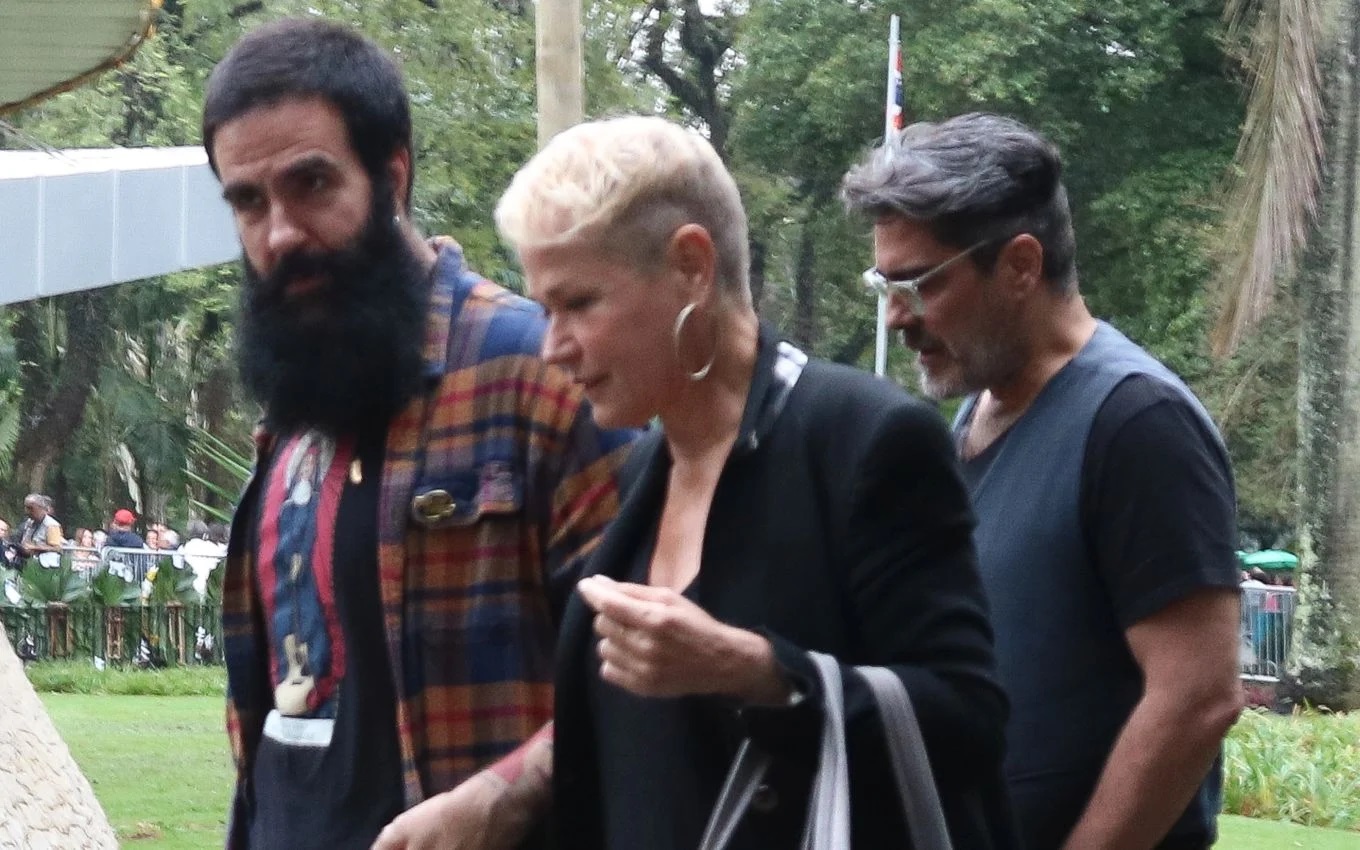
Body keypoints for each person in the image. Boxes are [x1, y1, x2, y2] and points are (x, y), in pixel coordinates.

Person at [489, 115, 1014, 849]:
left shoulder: (865, 440)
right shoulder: (642, 470)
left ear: (691, 266)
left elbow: (967, 721)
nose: (553, 347)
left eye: (578, 303)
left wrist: (757, 672)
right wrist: (490, 802)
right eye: (546, 310)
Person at [201, 19, 635, 850]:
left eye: (311, 184)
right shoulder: (294, 407)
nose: (280, 233)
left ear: (392, 174)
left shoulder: (541, 376)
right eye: (248, 202)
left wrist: (506, 797)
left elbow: (652, 673)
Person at [842, 112, 1243, 850]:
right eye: (884, 285)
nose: (896, 316)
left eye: (919, 284)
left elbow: (1197, 697)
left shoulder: (1136, 422)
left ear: (1021, 266)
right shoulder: (974, 417)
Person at [17, 495, 63, 567]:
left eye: (30, 508)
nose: (27, 512)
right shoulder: (29, 522)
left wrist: (35, 547)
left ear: (40, 508)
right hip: (26, 561)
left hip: (44, 565)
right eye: (25, 508)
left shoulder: (51, 525)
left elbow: (57, 548)